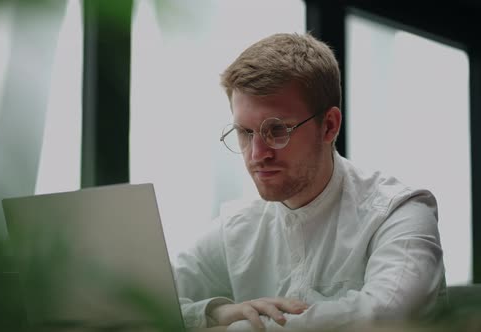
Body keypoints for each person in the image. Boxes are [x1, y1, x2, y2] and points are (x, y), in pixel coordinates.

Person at [173, 32, 446, 331]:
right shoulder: (236, 229)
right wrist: (215, 314)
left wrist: (236, 329)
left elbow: (386, 318)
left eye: (276, 130)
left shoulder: (399, 212)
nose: (256, 154)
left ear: (329, 126)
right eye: (244, 132)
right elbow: (136, 308)